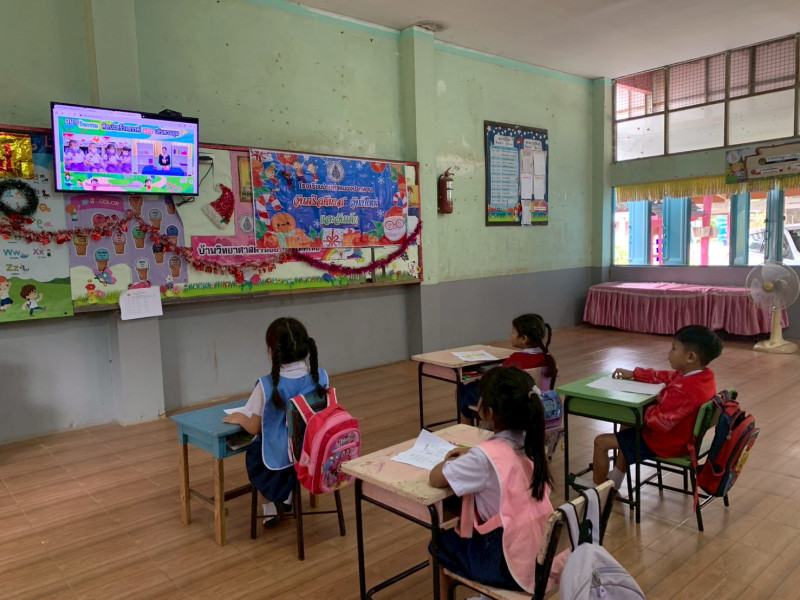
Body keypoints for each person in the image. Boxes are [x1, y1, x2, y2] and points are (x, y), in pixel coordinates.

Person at [429, 367, 562, 595]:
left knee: (439, 543)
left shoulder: (483, 458)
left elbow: (436, 478)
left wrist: (449, 459)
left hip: (506, 561)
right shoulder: (532, 443)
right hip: (540, 550)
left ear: (488, 412)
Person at [578, 325, 723, 491]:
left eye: (674, 348)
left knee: (601, 441)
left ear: (690, 356)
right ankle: (616, 479)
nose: (669, 353)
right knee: (627, 425)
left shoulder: (683, 391)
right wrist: (635, 373)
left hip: (667, 443)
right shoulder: (702, 377)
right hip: (683, 437)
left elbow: (658, 423)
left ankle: (597, 493)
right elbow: (665, 376)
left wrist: (640, 406)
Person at [222, 317, 328, 526]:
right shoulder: (321, 377)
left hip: (277, 461)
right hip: (310, 453)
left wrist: (240, 418)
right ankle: (287, 495)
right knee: (288, 454)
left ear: (272, 351)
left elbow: (254, 427)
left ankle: (269, 510)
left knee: (256, 454)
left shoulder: (266, 385)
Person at [458, 313, 557, 418]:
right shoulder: (549, 358)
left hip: (509, 404)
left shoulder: (517, 359)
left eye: (513, 332)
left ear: (524, 339)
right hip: (535, 403)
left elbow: (495, 377)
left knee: (462, 390)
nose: (510, 335)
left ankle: (465, 425)